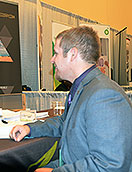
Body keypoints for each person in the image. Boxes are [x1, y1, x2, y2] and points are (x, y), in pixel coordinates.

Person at [10, 26, 132, 171]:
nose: (52, 60)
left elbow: (110, 165)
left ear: (72, 54)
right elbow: (65, 121)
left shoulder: (104, 96)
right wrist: (29, 129)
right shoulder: (84, 87)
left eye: (56, 53)